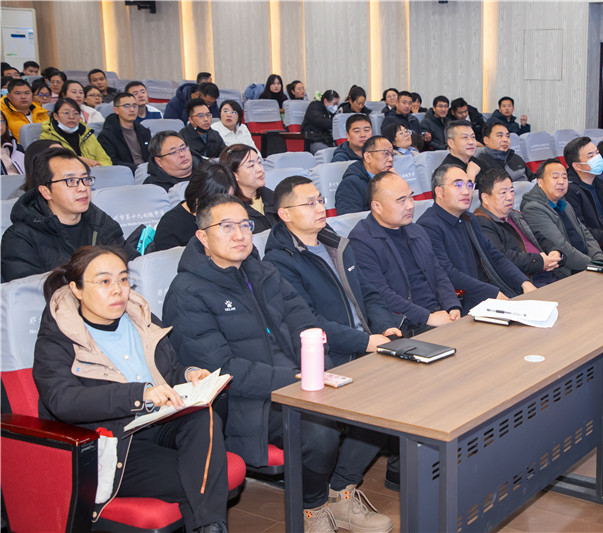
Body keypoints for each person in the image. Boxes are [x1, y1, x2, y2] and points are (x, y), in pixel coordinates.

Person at [163, 194, 394, 533]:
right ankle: (312, 508)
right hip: (247, 399)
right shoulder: (188, 291)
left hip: (298, 380)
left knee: (379, 402)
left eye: (245, 225)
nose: (240, 235)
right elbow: (220, 369)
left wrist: (322, 371)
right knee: (319, 431)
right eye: (226, 227)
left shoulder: (262, 271)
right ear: (203, 237)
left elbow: (306, 325)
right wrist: (296, 379)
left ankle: (340, 491)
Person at [33, 246, 229, 533]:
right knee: (202, 478)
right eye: (104, 281)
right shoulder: (58, 338)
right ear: (76, 289)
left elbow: (169, 370)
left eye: (123, 279)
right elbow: (63, 400)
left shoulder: (140, 318)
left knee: (203, 417)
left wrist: (189, 374)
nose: (118, 290)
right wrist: (139, 395)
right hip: (113, 444)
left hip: (158, 421)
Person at [265, 176, 402, 366]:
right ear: (285, 214)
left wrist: (385, 326)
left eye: (320, 200)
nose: (321, 209)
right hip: (337, 358)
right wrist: (365, 342)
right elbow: (309, 322)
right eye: (310, 204)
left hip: (371, 344)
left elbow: (368, 293)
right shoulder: (279, 262)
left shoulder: (336, 245)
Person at [349, 171, 462, 334]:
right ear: (377, 206)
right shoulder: (361, 241)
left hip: (439, 315)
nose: (410, 205)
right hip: (408, 325)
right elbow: (380, 294)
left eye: (411, 197)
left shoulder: (416, 230)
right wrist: (427, 318)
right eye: (401, 201)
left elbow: (438, 274)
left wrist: (452, 306)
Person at [417, 165, 535, 312]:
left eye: (469, 185)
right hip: (460, 305)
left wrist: (523, 282)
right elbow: (448, 273)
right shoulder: (427, 226)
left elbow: (494, 255)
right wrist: (493, 294)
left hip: (487, 296)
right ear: (439, 192)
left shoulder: (469, 219)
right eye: (458, 185)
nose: (466, 191)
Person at [1, 148, 128, 282]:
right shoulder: (21, 238)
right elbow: (29, 291)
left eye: (85, 179)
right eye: (70, 181)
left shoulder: (103, 224)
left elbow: (129, 270)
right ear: (46, 192)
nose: (82, 188)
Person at [519, 158, 603, 278]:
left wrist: (599, 260)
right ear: (540, 182)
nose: (561, 182)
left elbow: (586, 234)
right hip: (565, 273)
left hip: (586, 265)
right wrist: (594, 265)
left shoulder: (563, 203)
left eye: (564, 177)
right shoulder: (533, 209)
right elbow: (561, 247)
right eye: (555, 177)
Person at [474, 169, 559, 287]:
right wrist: (539, 261)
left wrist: (554, 252)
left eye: (512, 191)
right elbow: (501, 257)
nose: (510, 197)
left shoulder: (515, 215)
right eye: (503, 193)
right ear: (485, 198)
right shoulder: (482, 222)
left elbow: (538, 238)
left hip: (549, 273)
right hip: (526, 282)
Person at [152, 160, 237, 252]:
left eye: (230, 199)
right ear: (200, 195)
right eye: (220, 201)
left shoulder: (233, 215)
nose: (226, 205)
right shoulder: (170, 225)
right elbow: (168, 259)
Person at [219, 143, 278, 232]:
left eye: (259, 162)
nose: (260, 169)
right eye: (251, 166)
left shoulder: (276, 197)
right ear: (234, 175)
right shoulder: (229, 209)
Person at [40, 98, 112, 167]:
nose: (71, 116)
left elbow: (107, 161)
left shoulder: (88, 134)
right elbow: (49, 164)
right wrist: (79, 161)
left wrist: (95, 164)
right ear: (56, 116)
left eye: (75, 113)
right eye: (66, 113)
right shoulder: (47, 136)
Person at [335, 135, 394, 215]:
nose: (391, 159)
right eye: (386, 153)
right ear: (368, 157)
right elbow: (350, 220)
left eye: (392, 154)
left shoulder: (389, 179)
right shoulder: (351, 184)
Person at [97, 92, 151, 172]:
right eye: (126, 106)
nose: (132, 109)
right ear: (116, 110)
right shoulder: (106, 136)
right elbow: (112, 162)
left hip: (147, 171)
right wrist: (139, 168)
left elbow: (152, 155)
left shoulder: (144, 131)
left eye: (135, 106)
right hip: (126, 173)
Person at [468, 121, 534, 182]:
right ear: (486, 140)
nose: (505, 139)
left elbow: (533, 179)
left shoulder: (516, 158)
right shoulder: (479, 164)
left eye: (508, 136)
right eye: (500, 136)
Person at [301, 89, 338, 154]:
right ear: (325, 101)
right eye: (334, 104)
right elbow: (324, 123)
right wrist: (336, 123)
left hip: (327, 140)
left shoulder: (330, 112)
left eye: (337, 104)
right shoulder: (314, 107)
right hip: (314, 140)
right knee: (328, 153)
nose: (335, 106)